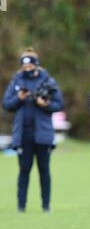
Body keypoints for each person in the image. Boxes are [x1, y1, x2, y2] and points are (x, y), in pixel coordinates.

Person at [2, 47, 64, 212]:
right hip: (23, 134)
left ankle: (46, 206)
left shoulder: (47, 81)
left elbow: (59, 104)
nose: (27, 70)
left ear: (36, 65)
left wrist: (46, 104)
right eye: (24, 67)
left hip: (42, 134)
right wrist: (19, 98)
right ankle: (21, 206)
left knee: (44, 170)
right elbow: (6, 104)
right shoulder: (16, 81)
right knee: (24, 170)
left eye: (30, 67)